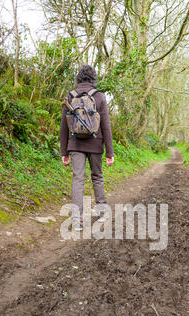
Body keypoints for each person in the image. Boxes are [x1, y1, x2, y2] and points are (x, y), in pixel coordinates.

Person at [60, 64, 114, 231]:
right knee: (97, 176)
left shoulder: (70, 96)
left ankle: (77, 221)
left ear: (79, 78)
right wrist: (109, 152)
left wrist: (64, 151)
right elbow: (105, 126)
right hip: (96, 143)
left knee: (78, 179)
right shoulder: (99, 97)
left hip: (75, 143)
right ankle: (102, 212)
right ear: (93, 78)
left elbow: (63, 126)